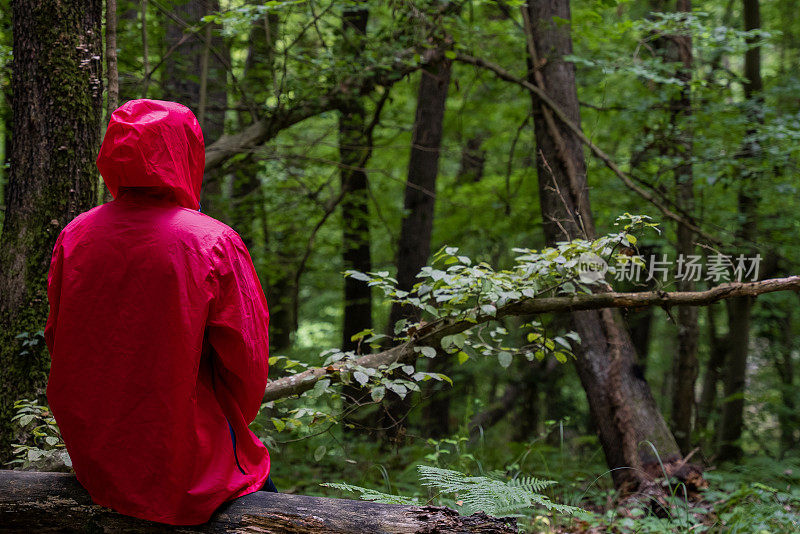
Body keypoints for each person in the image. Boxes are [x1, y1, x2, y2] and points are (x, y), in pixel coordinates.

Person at [45, 99, 274, 526]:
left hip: (97, 460)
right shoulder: (213, 242)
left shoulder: (75, 235)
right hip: (189, 465)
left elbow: (59, 341)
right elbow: (247, 361)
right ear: (187, 153)